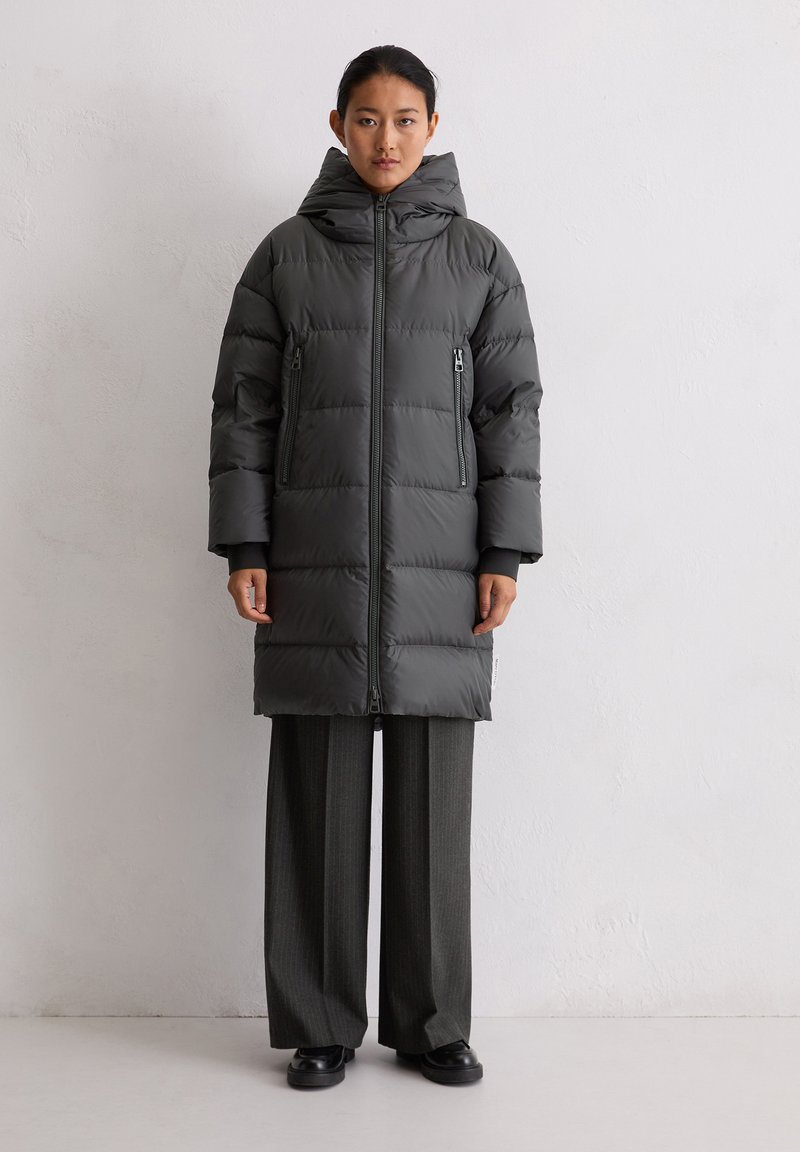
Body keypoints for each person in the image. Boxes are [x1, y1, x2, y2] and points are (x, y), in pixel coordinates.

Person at [207, 44, 543, 1089]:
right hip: (315, 560)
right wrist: (247, 543)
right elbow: (243, 411)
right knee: (318, 795)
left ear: (432, 127)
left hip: (443, 567)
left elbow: (511, 412)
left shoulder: (480, 260)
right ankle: (319, 1022)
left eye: (403, 119)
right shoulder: (284, 257)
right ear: (336, 125)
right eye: (365, 118)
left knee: (433, 807)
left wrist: (503, 549)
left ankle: (432, 1023)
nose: (384, 138)